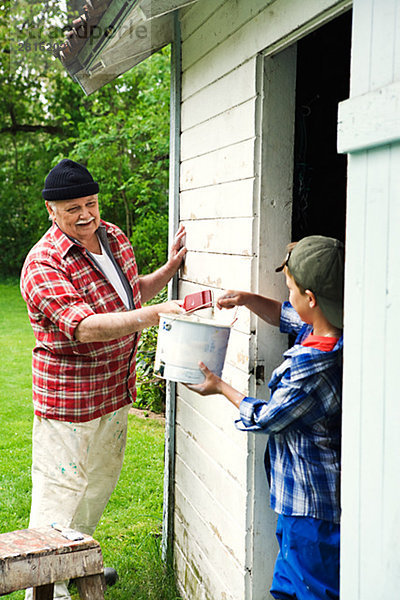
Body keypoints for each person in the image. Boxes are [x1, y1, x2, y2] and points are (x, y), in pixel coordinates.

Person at [20, 159, 186, 600]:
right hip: (69, 403)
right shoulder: (44, 263)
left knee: (97, 486)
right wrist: (154, 317)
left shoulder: (113, 238)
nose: (86, 215)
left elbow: (128, 296)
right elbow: (86, 326)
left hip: (113, 394)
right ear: (52, 212)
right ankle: (42, 589)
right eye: (73, 208)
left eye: (90, 203)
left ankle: (70, 565)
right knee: (60, 493)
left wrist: (167, 274)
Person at [188, 235, 344, 600]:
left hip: (312, 508)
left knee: (311, 591)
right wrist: (245, 298)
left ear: (311, 298)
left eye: (290, 287)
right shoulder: (325, 331)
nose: (286, 294)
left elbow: (268, 418)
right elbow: (284, 316)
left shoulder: (315, 369)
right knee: (287, 588)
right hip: (297, 503)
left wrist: (219, 386)